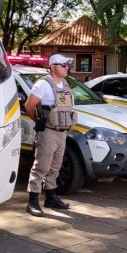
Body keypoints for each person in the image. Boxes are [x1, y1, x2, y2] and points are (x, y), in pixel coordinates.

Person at [24, 54, 77, 217]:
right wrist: (39, 122)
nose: (66, 67)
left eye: (67, 65)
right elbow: (29, 106)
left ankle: (51, 197)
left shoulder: (66, 84)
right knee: (41, 167)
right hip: (48, 132)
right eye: (63, 64)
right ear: (53, 66)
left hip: (62, 132)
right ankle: (32, 200)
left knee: (55, 167)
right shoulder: (43, 84)